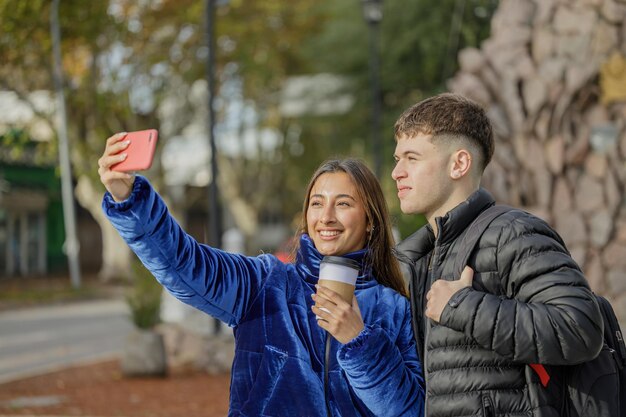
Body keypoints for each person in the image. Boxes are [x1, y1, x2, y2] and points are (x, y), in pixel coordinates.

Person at [98, 134, 425, 417]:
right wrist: (129, 200)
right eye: (316, 203)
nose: (326, 217)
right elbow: (184, 263)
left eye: (343, 204)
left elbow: (411, 410)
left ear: (370, 220)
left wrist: (360, 341)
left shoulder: (394, 310)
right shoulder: (265, 283)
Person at [391, 93, 603, 417]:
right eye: (397, 159)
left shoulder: (511, 233)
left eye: (411, 158)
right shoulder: (418, 260)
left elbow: (579, 327)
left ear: (459, 164)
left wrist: (462, 306)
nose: (396, 172)